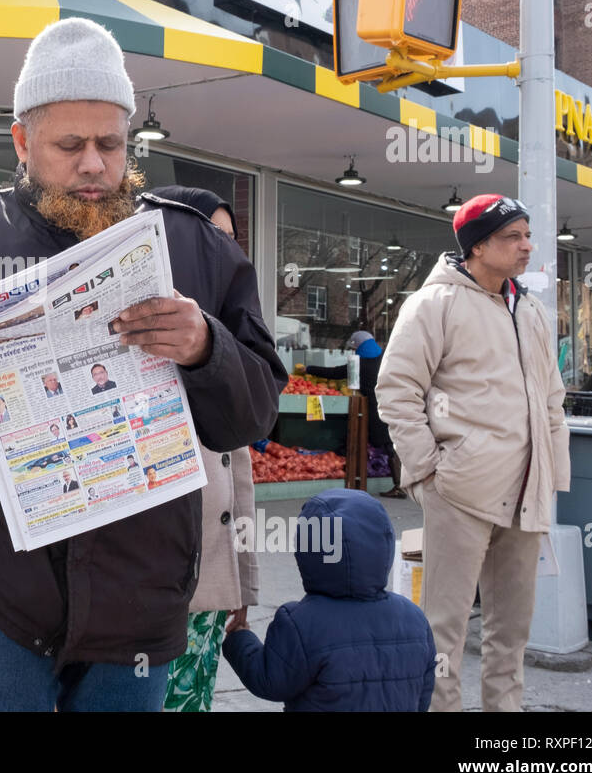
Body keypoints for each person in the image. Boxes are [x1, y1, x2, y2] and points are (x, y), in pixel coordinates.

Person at [0, 16, 286, 712]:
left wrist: (206, 348)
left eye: (110, 144)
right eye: (69, 144)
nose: (93, 165)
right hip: (5, 586)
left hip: (146, 589)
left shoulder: (195, 245)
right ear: (22, 141)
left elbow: (255, 410)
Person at [377, 195, 570, 712]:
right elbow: (396, 391)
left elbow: (552, 397)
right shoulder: (432, 305)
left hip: (527, 490)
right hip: (460, 491)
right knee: (445, 631)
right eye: (513, 237)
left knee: (512, 631)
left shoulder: (528, 309)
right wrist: (428, 475)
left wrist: (554, 472)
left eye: (527, 234)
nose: (527, 245)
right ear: (478, 246)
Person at [150, 184, 258, 712]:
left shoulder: (227, 345)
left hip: (209, 590)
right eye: (211, 237)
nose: (225, 252)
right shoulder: (132, 340)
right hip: (140, 595)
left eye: (232, 240)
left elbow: (238, 478)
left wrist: (243, 584)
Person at [222, 489, 436, 711]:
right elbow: (423, 693)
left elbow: (270, 680)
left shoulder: (299, 623)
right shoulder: (415, 619)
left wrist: (240, 638)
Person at [298, 331, 404, 497]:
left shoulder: (360, 363)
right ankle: (401, 484)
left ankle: (399, 486)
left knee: (387, 446)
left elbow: (336, 373)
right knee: (391, 444)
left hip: (373, 409)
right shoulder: (384, 358)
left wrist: (309, 369)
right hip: (390, 404)